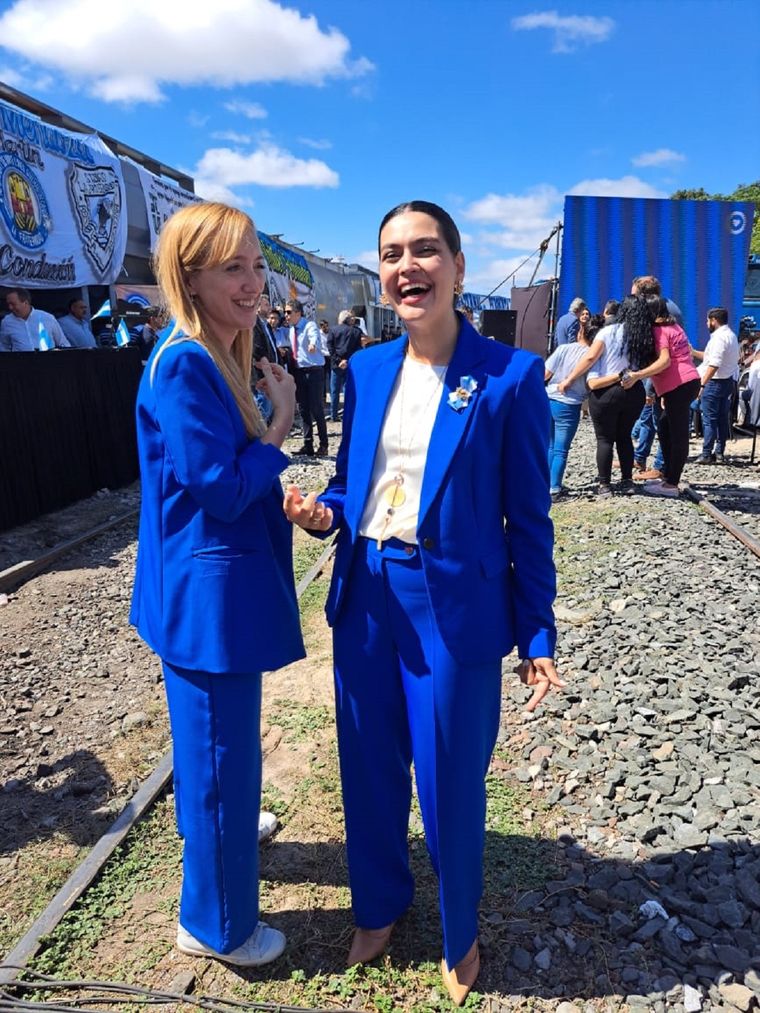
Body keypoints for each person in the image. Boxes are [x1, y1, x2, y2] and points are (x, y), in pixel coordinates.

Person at [284, 200, 562, 1006]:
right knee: (367, 764)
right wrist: (324, 512)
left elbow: (529, 517)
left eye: (426, 250)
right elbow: (349, 482)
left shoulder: (508, 376)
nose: (408, 266)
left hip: (454, 607)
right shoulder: (366, 368)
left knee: (448, 778)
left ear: (459, 267)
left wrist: (536, 630)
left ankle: (458, 928)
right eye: (393, 254)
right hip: (366, 591)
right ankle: (378, 904)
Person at [129, 202, 305, 968]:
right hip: (207, 603)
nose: (252, 281)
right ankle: (217, 923)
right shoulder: (186, 362)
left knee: (221, 751)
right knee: (215, 757)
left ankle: (225, 843)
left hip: (211, 595)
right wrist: (280, 427)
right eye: (232, 267)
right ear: (191, 277)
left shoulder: (215, 354)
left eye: (256, 265)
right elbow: (223, 489)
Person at [559, 295, 656, 497]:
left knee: (604, 439)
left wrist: (569, 379)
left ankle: (604, 485)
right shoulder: (642, 335)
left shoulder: (608, 332)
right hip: (634, 390)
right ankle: (627, 481)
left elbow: (591, 357)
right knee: (625, 437)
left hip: (606, 391)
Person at [621, 296, 700, 497]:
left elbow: (665, 361)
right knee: (665, 427)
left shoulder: (659, 331)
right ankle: (668, 475)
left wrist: (637, 375)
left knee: (678, 433)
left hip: (679, 385)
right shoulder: (675, 327)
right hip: (685, 383)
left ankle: (671, 483)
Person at [544, 312, 598, 498]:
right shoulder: (594, 356)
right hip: (570, 403)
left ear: (580, 332)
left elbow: (545, 373)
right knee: (561, 449)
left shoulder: (563, 349)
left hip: (549, 397)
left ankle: (545, 484)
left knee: (549, 446)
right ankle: (554, 488)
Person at [694, 307, 739, 464]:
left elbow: (714, 364)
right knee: (721, 419)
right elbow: (710, 358)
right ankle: (719, 452)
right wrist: (692, 352)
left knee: (709, 420)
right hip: (727, 382)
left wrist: (702, 384)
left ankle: (706, 453)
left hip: (715, 382)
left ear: (714, 320)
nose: (707, 323)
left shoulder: (719, 338)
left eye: (708, 320)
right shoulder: (731, 336)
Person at [285, 298, 329, 457]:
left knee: (316, 408)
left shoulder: (309, 325)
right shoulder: (291, 330)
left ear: (298, 313)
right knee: (303, 408)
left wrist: (312, 344)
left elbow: (314, 337)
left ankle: (324, 445)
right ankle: (308, 444)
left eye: (289, 312)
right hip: (299, 372)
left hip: (314, 371)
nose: (286, 315)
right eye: (285, 312)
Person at [0, 287, 70, 351]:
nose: (10, 308)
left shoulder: (47, 318)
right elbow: (4, 346)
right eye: (8, 304)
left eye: (13, 304)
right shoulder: (7, 322)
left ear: (25, 303)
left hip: (47, 362)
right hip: (21, 363)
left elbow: (63, 344)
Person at [327, 310, 363, 421]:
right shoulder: (356, 331)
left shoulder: (333, 330)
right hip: (349, 365)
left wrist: (338, 361)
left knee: (334, 391)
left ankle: (334, 415)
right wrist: (347, 361)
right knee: (348, 390)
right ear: (348, 320)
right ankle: (348, 414)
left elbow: (330, 348)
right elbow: (358, 349)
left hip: (336, 365)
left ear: (341, 319)